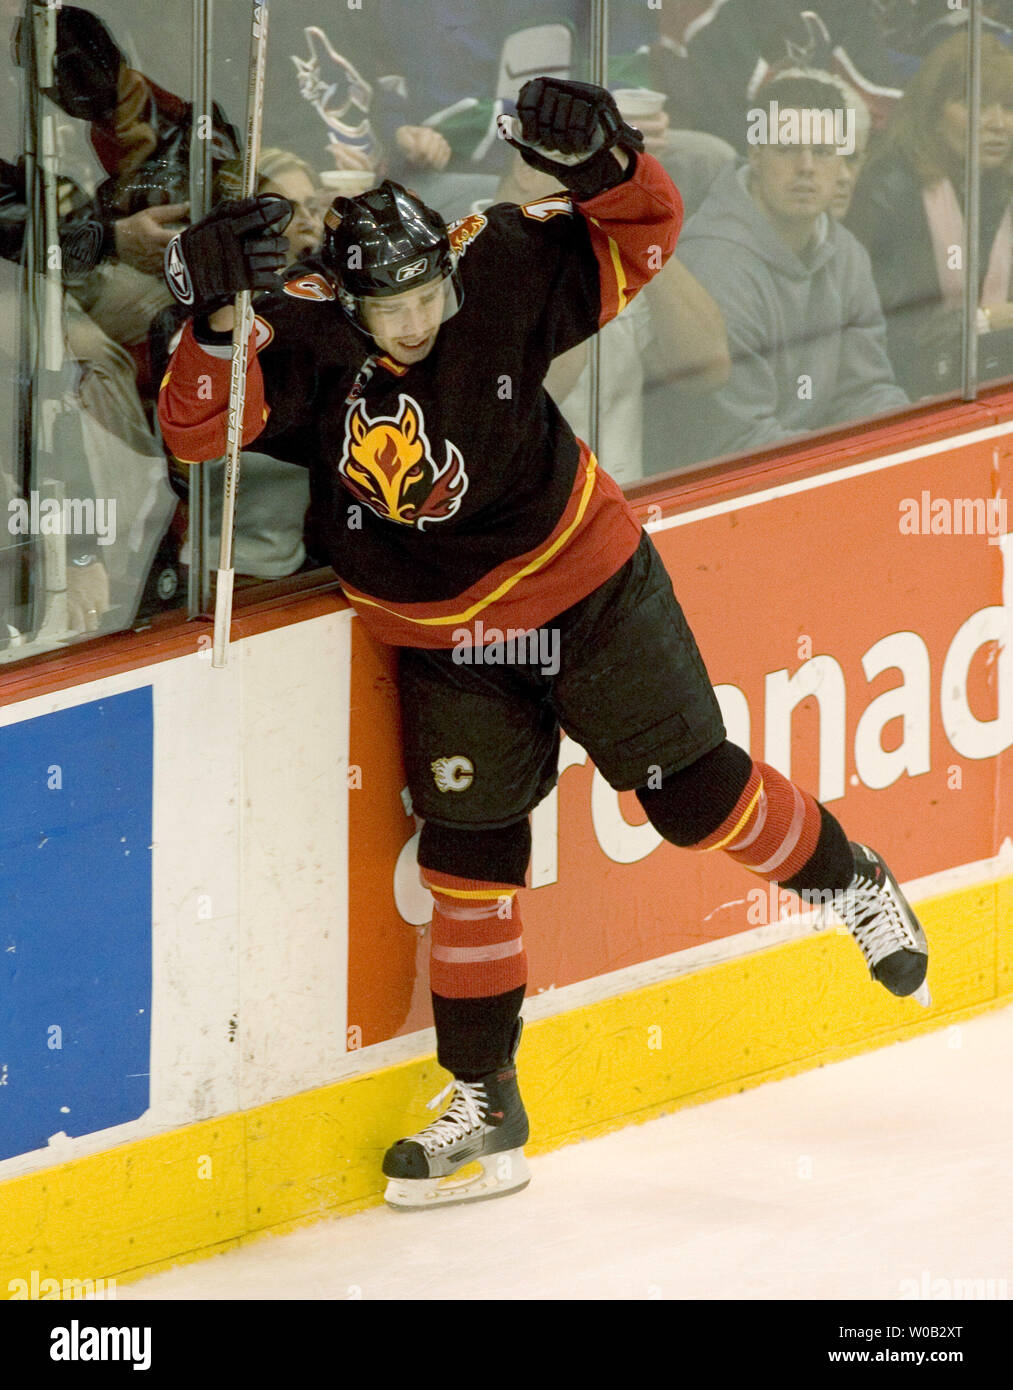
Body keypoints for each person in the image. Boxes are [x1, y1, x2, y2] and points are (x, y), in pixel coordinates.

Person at [158, 77, 930, 1211]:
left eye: (427, 294)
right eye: (392, 307)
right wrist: (216, 320)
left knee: (691, 798)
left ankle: (852, 880)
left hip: (587, 590)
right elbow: (194, 433)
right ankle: (484, 1100)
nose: (415, 320)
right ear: (348, 301)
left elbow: (646, 234)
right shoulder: (313, 334)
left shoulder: (505, 266)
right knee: (464, 863)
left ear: (446, 269)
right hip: (446, 643)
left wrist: (605, 161)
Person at [675, 72, 908, 466]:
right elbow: (739, 442)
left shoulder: (847, 253)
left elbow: (866, 389)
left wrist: (906, 437)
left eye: (822, 151)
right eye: (787, 149)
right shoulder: (715, 267)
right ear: (756, 154)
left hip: (808, 466)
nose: (806, 167)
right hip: (733, 491)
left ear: (843, 164)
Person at [846, 33, 1013, 399]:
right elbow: (883, 332)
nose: (998, 123)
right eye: (979, 105)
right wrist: (985, 322)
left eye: (1008, 107)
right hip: (911, 395)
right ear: (933, 111)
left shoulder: (1003, 187)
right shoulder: (887, 192)